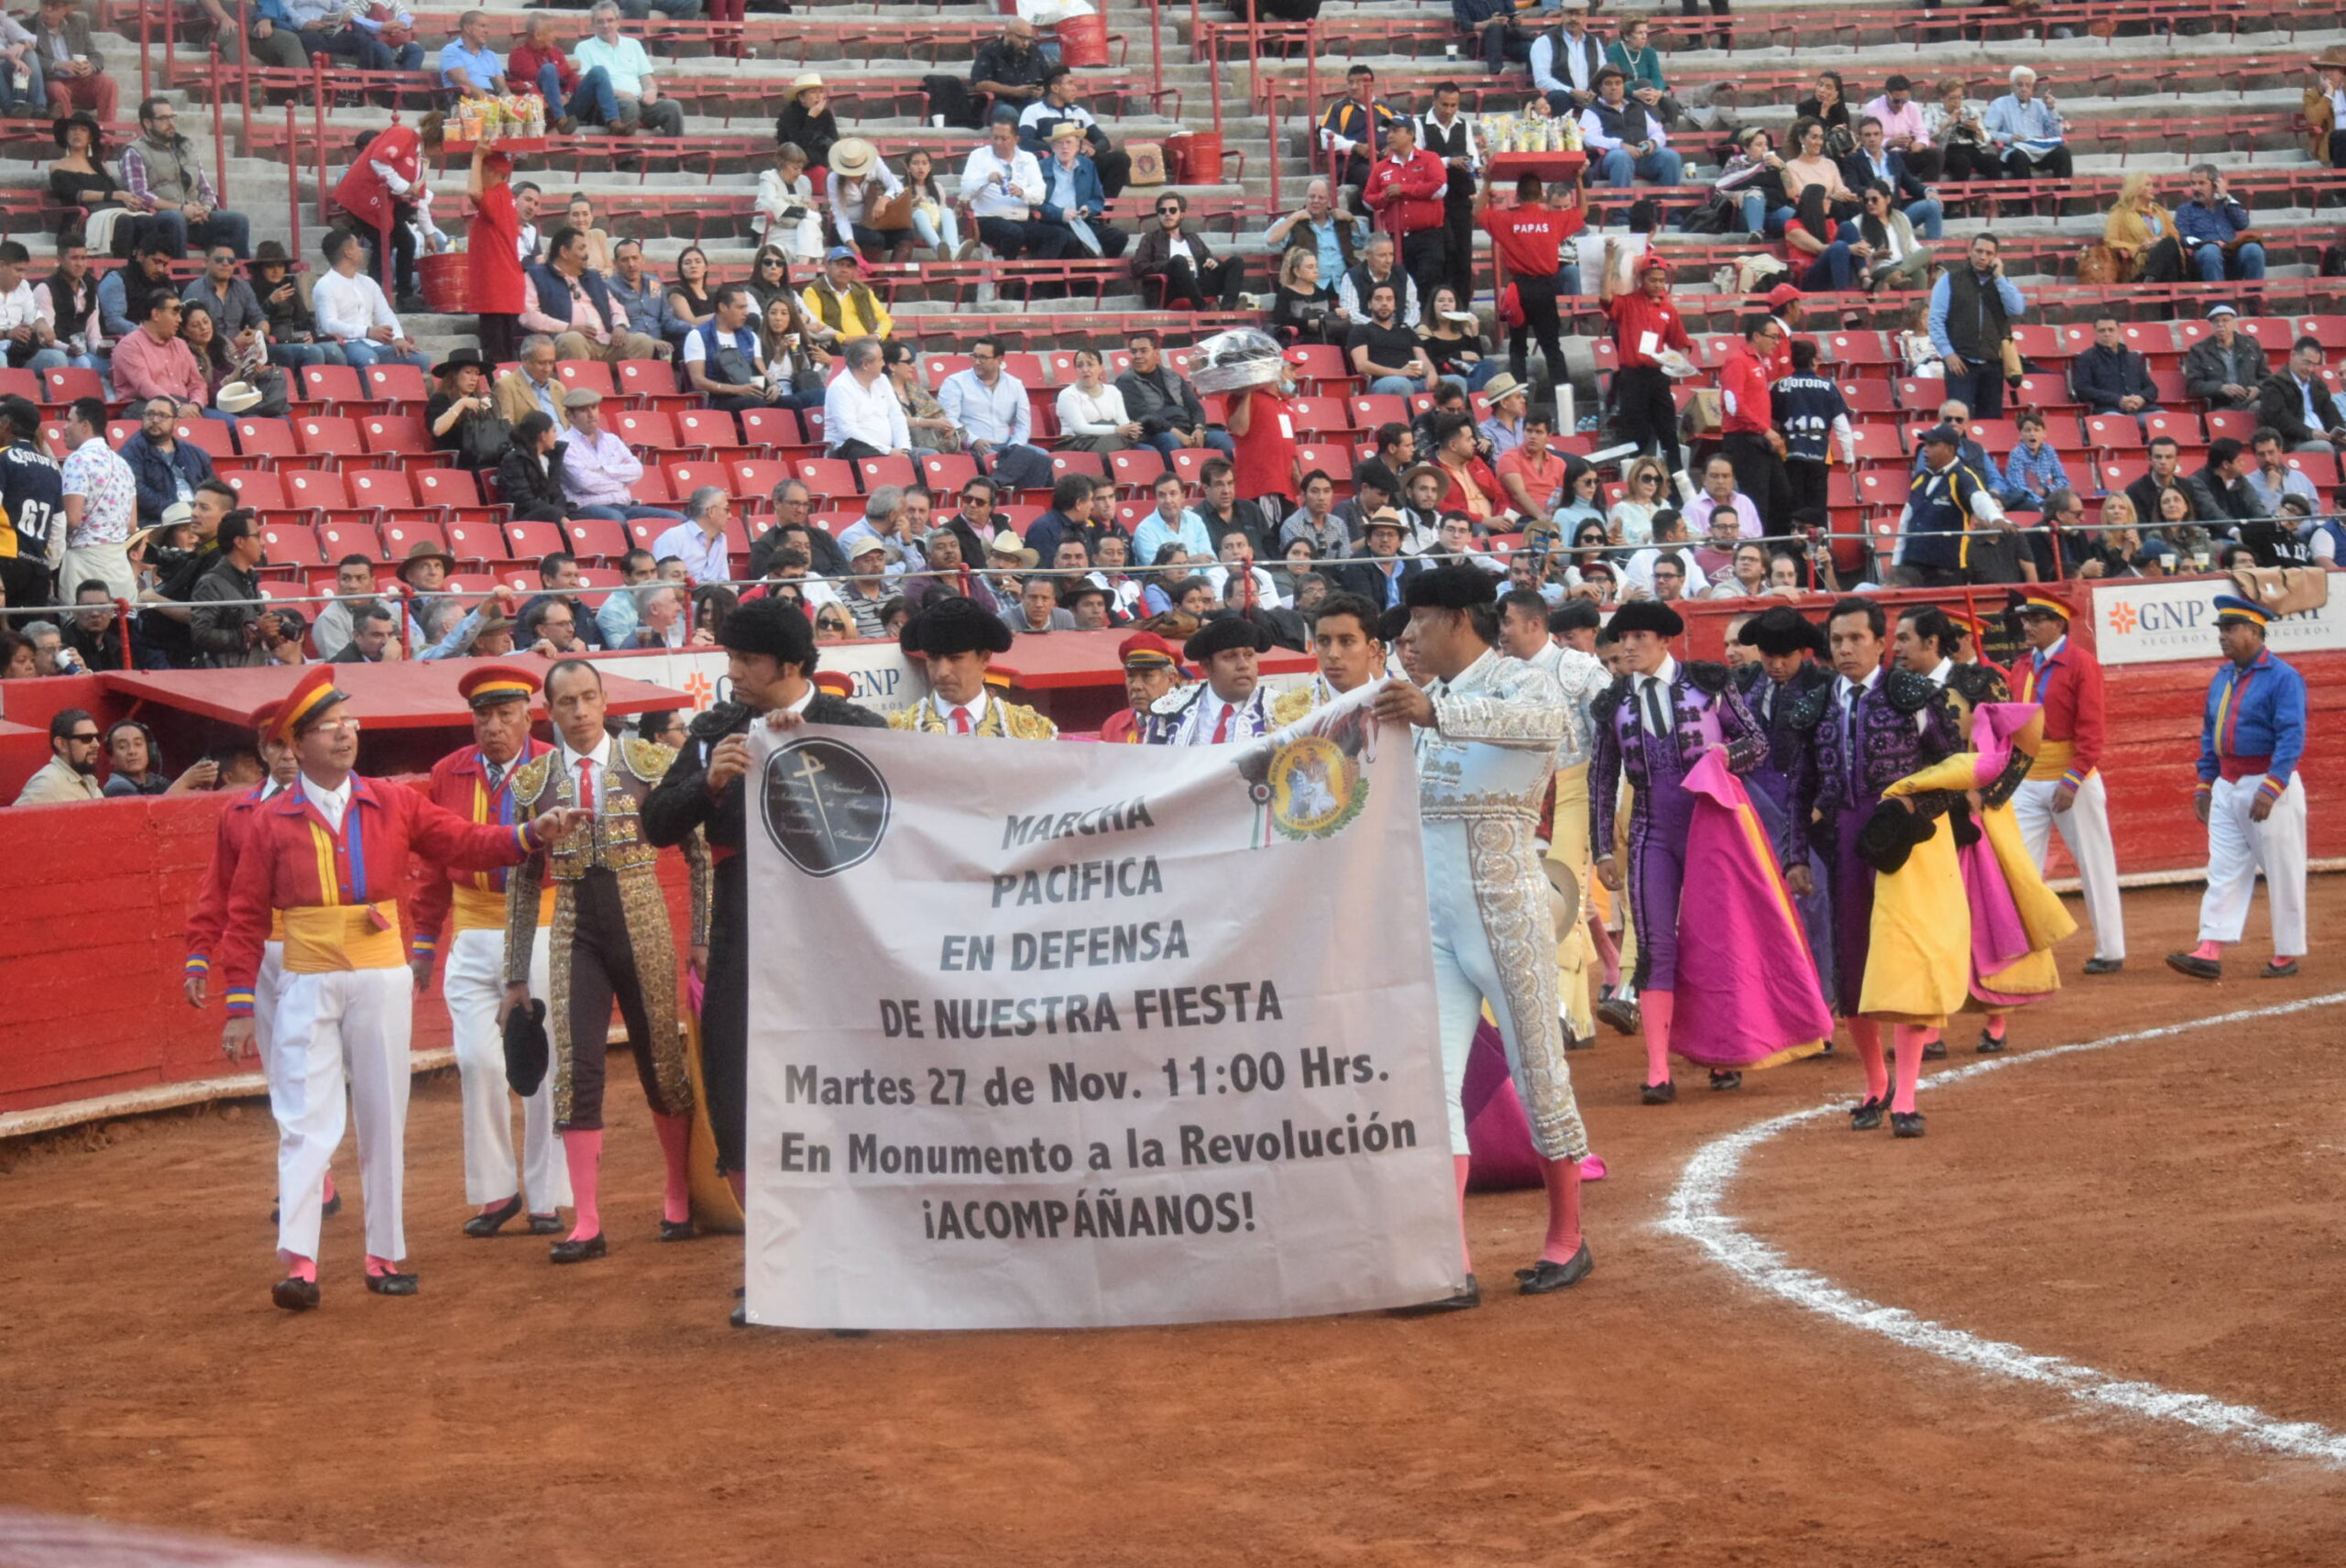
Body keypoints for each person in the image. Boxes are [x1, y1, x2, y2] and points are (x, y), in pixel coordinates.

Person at [214, 668, 585, 1308]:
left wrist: (529, 834)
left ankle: (383, 1254)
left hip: (379, 975)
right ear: (296, 744)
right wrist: (240, 1003)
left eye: (348, 724)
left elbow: (463, 841)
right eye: (329, 727)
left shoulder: (394, 801)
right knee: (305, 1120)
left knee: (384, 1117)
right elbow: (244, 915)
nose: (345, 735)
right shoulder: (269, 821)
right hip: (306, 977)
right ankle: (301, 1260)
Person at [641, 598, 881, 1304]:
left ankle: (848, 1265)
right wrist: (707, 779)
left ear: (792, 665)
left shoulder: (854, 727)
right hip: (745, 925)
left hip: (841, 935)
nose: (734, 673)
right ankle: (775, 1265)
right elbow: (657, 822)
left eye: (747, 661)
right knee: (738, 1088)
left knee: (849, 1092)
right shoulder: (718, 729)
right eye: (732, 659)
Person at [1370, 565, 1592, 1306]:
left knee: (1539, 1069)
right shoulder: (1418, 703)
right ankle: (1452, 1260)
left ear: (1460, 620)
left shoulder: (1522, 683)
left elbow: (1549, 729)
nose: (1408, 636)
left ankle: (1567, 1236)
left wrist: (1436, 715)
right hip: (1431, 916)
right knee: (1431, 1086)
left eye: (1421, 620)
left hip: (1507, 909)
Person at [502, 659, 707, 1267]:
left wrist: (702, 933)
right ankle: (587, 1219)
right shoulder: (533, 782)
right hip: (572, 927)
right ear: (551, 710)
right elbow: (521, 882)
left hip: (641, 916)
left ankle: (677, 1190)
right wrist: (515, 974)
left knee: (660, 1058)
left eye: (590, 697)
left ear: (605, 698)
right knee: (578, 1064)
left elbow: (699, 853)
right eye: (567, 702)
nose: (581, 711)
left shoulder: (650, 763)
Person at [405, 664, 572, 1238]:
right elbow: (431, 862)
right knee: (479, 1063)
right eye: (484, 716)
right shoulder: (446, 772)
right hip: (472, 934)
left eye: (506, 715)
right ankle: (496, 1191)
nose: (494, 726)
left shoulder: (557, 765)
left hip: (545, 928)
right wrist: (424, 941)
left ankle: (547, 1194)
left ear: (529, 715)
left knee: (544, 1067)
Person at [1784, 597, 1959, 1136]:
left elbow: (1951, 769)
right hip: (1841, 845)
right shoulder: (1814, 704)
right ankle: (1875, 1082)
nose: (1845, 650)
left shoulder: (1912, 695)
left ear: (1882, 643)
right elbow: (1800, 788)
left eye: (1856, 639)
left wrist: (1912, 812)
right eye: (1837, 641)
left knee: (1903, 962)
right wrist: (1794, 854)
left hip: (1903, 847)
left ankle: (1906, 1095)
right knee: (1855, 967)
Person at [1588, 595, 1771, 1101]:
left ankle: (1721, 1051)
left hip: (1709, 825)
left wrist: (1724, 754)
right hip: (1651, 828)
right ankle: (1656, 1068)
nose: (1628, 647)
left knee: (1715, 939)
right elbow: (1602, 778)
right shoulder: (1612, 701)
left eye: (1638, 638)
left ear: (1663, 641)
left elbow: (1757, 741)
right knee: (1654, 944)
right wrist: (1602, 848)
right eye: (1623, 639)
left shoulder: (1708, 682)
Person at [2167, 592, 2308, 982]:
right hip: (2227, 785)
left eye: (2229, 629)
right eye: (2221, 630)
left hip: (2267, 784)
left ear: (2254, 631)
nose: (2222, 636)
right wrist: (2203, 783)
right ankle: (2209, 949)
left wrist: (2272, 786)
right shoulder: (2224, 675)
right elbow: (2210, 732)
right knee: (2224, 867)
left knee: (2283, 870)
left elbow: (2291, 736)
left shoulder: (2283, 677)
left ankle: (2286, 951)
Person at [2002, 590, 2127, 976]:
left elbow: (2091, 730)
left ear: (2058, 623)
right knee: (2019, 866)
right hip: (2028, 777)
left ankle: (2111, 948)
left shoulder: (2080, 664)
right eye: (2025, 619)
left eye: (2036, 619)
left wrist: (2072, 779)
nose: (2027, 625)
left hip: (2072, 777)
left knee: (2094, 863)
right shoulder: (2023, 665)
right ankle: (2022, 945)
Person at [888, 595, 1058, 736]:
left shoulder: (1030, 730)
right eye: (933, 659)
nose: (942, 672)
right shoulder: (898, 730)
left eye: (955, 659)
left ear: (984, 658)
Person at [1475, 170, 1582, 389]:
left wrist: (1486, 183)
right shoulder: (1552, 219)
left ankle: (1518, 396)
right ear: (1541, 196)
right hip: (1545, 288)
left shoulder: (1507, 219)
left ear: (1517, 194)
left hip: (1518, 289)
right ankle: (1564, 399)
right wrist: (1579, 180)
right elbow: (1584, 211)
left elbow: (1478, 212)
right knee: (1551, 345)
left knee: (1517, 346)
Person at [121, 98, 247, 259]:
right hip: (160, 220)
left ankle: (240, 279)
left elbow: (206, 190)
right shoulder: (135, 152)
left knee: (238, 220)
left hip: (195, 218)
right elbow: (139, 195)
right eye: (163, 118)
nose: (170, 123)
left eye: (172, 117)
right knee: (175, 218)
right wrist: (181, 209)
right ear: (147, 123)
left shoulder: (186, 149)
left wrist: (205, 209)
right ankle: (181, 278)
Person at [1602, 251, 1690, 472]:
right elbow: (1605, 298)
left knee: (1668, 432)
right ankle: (1634, 482)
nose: (1658, 284)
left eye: (1662, 280)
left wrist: (1681, 362)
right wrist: (1609, 258)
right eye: (1653, 280)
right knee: (1635, 434)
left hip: (1658, 377)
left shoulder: (1668, 309)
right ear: (1641, 279)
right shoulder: (1627, 303)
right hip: (1633, 377)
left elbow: (1682, 342)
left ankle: (1678, 487)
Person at [937, 335, 1053, 491]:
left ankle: (1007, 490)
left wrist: (1015, 448)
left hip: (1008, 444)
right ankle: (1002, 490)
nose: (977, 362)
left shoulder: (1015, 384)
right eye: (974, 356)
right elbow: (950, 419)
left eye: (983, 358)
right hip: (972, 445)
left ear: (999, 360)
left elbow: (1023, 424)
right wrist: (974, 440)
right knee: (1011, 458)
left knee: (1044, 456)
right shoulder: (955, 382)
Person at [1925, 234, 2022, 422]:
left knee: (1992, 424)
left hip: (1992, 363)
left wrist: (2000, 277)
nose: (1983, 257)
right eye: (1978, 251)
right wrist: (1948, 353)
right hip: (1960, 363)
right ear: (1970, 252)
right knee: (1958, 422)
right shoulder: (1950, 280)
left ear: (1996, 257)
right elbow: (1935, 320)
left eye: (1988, 253)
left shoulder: (2001, 283)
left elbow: (2016, 308)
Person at [1362, 120, 1450, 309]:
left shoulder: (1429, 158)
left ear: (1410, 134)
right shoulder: (1381, 167)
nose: (1390, 135)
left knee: (1428, 280)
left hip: (1428, 235)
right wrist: (1386, 197)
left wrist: (1404, 190)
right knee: (1401, 284)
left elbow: (1440, 188)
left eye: (1395, 131)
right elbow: (1367, 200)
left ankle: (1427, 324)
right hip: (1397, 238)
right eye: (1388, 131)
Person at [54, 395, 135, 602]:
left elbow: (72, 520)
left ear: (85, 425)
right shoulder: (124, 464)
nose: (64, 427)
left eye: (69, 420)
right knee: (122, 631)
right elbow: (132, 526)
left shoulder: (77, 460)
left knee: (80, 630)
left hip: (85, 568)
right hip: (119, 567)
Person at [312, 228, 425, 371]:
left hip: (373, 343)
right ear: (348, 252)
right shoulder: (325, 285)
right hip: (346, 344)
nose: (361, 250)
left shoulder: (368, 282)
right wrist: (367, 331)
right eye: (357, 246)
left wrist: (398, 337)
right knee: (367, 359)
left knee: (419, 359)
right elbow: (328, 325)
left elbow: (385, 314)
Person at [571, 3, 685, 137]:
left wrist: (651, 91)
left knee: (673, 107)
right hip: (608, 107)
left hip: (639, 102)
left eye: (610, 20)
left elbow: (646, 78)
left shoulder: (633, 45)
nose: (606, 25)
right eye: (600, 22)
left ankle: (675, 157)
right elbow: (586, 84)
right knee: (629, 105)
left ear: (618, 22)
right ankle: (625, 157)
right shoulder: (584, 47)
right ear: (593, 24)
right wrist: (620, 93)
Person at [1017, 65, 1133, 198]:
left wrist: (1093, 149)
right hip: (1051, 165)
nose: (1075, 88)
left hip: (1080, 165)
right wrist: (1060, 148)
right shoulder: (1034, 111)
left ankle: (1101, 211)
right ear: (1055, 88)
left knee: (1120, 159)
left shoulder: (1078, 112)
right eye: (1070, 83)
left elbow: (1103, 141)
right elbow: (1025, 142)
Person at [1117, 329, 1232, 464]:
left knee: (1222, 440)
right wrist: (1177, 434)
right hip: (1154, 433)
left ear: (1156, 353)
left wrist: (1199, 428)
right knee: (1170, 441)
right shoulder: (1126, 381)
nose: (1137, 356)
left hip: (1186, 427)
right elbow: (1146, 416)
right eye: (1133, 351)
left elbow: (1195, 407)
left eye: (1143, 351)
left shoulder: (1173, 376)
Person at [960, 118, 1064, 263]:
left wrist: (1023, 193)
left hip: (1020, 220)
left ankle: (1036, 280)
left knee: (1058, 235)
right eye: (995, 137)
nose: (998, 142)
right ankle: (1007, 281)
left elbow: (1040, 194)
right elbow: (965, 191)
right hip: (987, 219)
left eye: (1004, 138)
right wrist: (986, 179)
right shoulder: (978, 155)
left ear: (1016, 139)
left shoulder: (1028, 158)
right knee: (1013, 233)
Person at [1582, 65, 1683, 197]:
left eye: (1618, 83)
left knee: (1670, 157)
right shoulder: (1592, 110)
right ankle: (1622, 215)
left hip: (1643, 157)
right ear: (1600, 87)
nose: (1614, 87)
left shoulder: (1637, 107)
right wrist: (1620, 145)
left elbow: (1658, 132)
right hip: (1611, 159)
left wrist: (1652, 143)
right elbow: (1589, 138)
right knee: (1621, 157)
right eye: (1608, 83)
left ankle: (1670, 214)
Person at [1131, 191, 1238, 311]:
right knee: (1179, 260)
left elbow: (1209, 259)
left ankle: (1227, 309)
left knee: (1235, 261)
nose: (1167, 214)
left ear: (1181, 214)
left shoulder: (1193, 238)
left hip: (1198, 286)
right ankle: (1202, 309)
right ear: (1158, 215)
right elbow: (1138, 267)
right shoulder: (1150, 239)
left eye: (1172, 210)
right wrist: (1170, 265)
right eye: (1162, 211)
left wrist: (1212, 262)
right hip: (1170, 289)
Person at [1317, 64, 1398, 206]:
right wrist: (1355, 146)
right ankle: (1376, 213)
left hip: (1386, 160)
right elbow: (1326, 137)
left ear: (1371, 84)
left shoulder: (1386, 109)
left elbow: (1402, 132)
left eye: (1359, 82)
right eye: (1350, 82)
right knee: (1374, 176)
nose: (1353, 87)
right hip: (1353, 163)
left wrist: (1394, 146)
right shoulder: (1339, 108)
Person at [822, 336, 910, 460]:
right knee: (860, 451)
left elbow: (896, 416)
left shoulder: (882, 380)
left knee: (926, 456)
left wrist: (904, 448)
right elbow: (848, 431)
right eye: (880, 360)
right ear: (866, 364)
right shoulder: (840, 387)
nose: (883, 364)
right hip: (851, 453)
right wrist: (887, 451)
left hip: (888, 451)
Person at [2255, 337, 2346, 455]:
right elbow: (2281, 419)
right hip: (2294, 443)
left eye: (2314, 365)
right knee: (2324, 447)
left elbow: (2332, 413)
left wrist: (2340, 433)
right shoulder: (2274, 385)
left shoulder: (2318, 385)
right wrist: (2310, 433)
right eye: (2307, 363)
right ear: (2293, 355)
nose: (2310, 369)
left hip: (2324, 438)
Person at [826, 138, 912, 263]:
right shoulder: (833, 179)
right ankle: (870, 274)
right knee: (875, 238)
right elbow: (840, 216)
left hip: (875, 222)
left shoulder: (875, 163)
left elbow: (896, 186)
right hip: (849, 226)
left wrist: (884, 199)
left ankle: (895, 276)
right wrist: (851, 243)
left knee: (907, 235)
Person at [2174, 164, 2264, 283]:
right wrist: (2210, 243)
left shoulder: (2226, 205)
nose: (2195, 188)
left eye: (2201, 183)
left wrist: (2225, 196)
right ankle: (2219, 300)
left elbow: (2242, 223)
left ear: (2215, 185)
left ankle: (2253, 297)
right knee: (2211, 250)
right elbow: (2184, 237)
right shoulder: (2184, 210)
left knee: (2253, 249)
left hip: (2231, 255)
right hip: (2204, 258)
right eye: (2193, 183)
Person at [1983, 64, 2072, 182]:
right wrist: (2009, 138)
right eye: (2019, 85)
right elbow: (1988, 132)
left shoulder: (2040, 105)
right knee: (2019, 157)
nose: (2023, 89)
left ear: (2032, 88)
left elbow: (2055, 134)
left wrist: (2051, 109)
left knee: (2063, 153)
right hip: (2015, 149)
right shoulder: (2000, 104)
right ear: (2012, 87)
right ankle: (2026, 201)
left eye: (2028, 85)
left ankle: (2062, 198)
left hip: (2039, 149)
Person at [1347, 281, 1435, 399]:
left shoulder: (1407, 332)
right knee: (1401, 384)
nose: (1384, 303)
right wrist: (1398, 372)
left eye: (1389, 299)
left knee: (1456, 381)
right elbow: (1362, 365)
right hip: (1381, 383)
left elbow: (1422, 360)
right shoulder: (1361, 330)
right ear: (1369, 304)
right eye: (1378, 299)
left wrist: (1431, 373)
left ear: (1394, 305)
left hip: (1413, 381)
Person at [800, 246, 894, 345]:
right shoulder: (814, 291)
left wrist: (878, 336)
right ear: (827, 266)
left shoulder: (862, 290)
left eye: (849, 266)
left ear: (854, 270)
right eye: (840, 265)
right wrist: (845, 339)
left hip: (869, 344)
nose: (844, 270)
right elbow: (817, 325)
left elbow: (884, 318)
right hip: (836, 346)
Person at [14, 707, 105, 804]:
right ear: (61, 744)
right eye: (86, 738)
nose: (96, 744)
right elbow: (14, 818)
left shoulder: (89, 781)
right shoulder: (47, 784)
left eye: (97, 737)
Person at [1530, 4, 1606, 116]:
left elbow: (1602, 73)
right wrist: (1572, 92)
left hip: (1590, 97)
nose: (1573, 18)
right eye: (1569, 13)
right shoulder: (1545, 41)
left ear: (1586, 15)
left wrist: (1590, 94)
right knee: (1559, 96)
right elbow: (1541, 80)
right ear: (1562, 13)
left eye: (1579, 14)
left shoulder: (1593, 42)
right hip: (1561, 99)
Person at [773, 73, 839, 174]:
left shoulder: (826, 115)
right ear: (801, 97)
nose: (818, 96)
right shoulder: (790, 115)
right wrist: (811, 118)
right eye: (813, 92)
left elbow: (835, 143)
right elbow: (798, 147)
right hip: (797, 167)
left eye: (821, 92)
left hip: (824, 165)